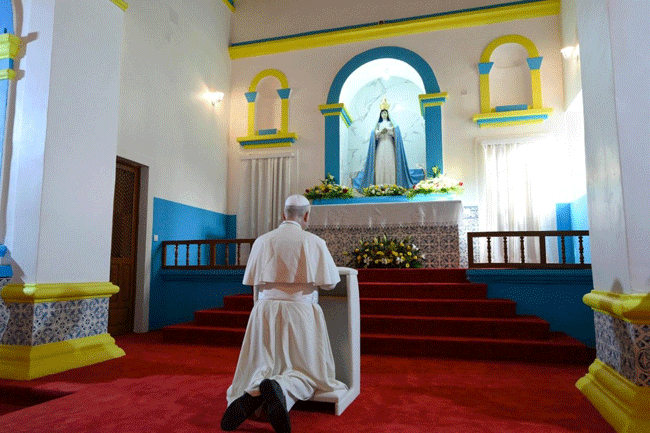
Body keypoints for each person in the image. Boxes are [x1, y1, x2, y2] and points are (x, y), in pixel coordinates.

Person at [221, 194, 347, 433]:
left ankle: (254, 391)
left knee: (263, 364)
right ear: (307, 215)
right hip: (299, 311)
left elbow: (252, 280)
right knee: (309, 371)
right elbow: (330, 283)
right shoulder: (313, 241)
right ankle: (281, 387)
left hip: (264, 311)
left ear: (283, 214)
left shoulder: (262, 241)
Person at [358, 99, 416, 190]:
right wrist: (380, 132)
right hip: (380, 145)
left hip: (389, 144)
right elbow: (374, 134)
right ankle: (379, 185)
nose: (384, 114)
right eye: (382, 113)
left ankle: (392, 186)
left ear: (388, 114)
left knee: (390, 163)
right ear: (380, 115)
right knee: (379, 164)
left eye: (385, 113)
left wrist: (389, 130)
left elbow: (396, 132)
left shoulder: (391, 123)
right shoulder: (378, 124)